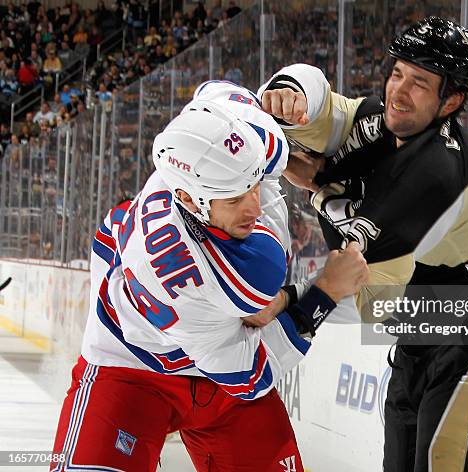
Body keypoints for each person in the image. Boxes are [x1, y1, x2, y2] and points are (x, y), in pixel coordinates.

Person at [259, 16, 468, 472]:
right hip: (422, 340)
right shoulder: (388, 119)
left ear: (452, 101)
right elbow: (328, 111)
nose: (398, 91)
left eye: (420, 83)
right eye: (397, 73)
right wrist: (290, 93)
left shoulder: (440, 173)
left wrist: (321, 190)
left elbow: (362, 279)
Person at [50, 104, 368, 471]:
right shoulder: (181, 278)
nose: (254, 206)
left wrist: (287, 102)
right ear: (187, 199)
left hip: (208, 358)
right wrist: (325, 291)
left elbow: (218, 97)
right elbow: (248, 374)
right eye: (235, 198)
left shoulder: (208, 166)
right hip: (132, 367)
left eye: (253, 186)